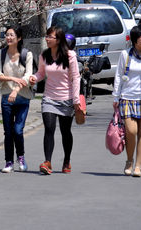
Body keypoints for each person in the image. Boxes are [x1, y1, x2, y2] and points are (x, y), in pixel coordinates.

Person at [29, 26, 81, 175]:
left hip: (67, 98)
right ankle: (47, 162)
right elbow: (41, 73)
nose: (47, 39)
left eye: (50, 37)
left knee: (65, 132)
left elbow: (76, 78)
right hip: (49, 98)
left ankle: (66, 160)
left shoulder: (70, 55)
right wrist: (34, 78)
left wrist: (76, 99)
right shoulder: (44, 55)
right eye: (47, 36)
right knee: (49, 129)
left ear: (58, 40)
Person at [112, 25, 141, 178]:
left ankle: (138, 166)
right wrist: (116, 96)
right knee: (131, 131)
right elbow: (119, 75)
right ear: (135, 39)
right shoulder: (125, 55)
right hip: (127, 97)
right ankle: (129, 160)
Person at [0, 26, 33, 173]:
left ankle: (21, 157)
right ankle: (8, 161)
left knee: (18, 130)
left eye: (12, 35)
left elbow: (28, 76)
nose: (9, 37)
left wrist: (16, 89)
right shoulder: (0, 54)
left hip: (23, 98)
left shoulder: (26, 54)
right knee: (8, 131)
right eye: (7, 35)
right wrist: (11, 78)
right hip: (6, 97)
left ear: (19, 38)